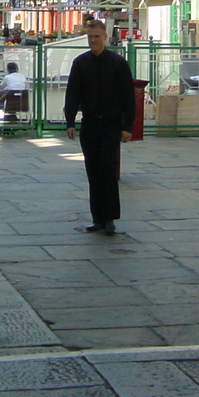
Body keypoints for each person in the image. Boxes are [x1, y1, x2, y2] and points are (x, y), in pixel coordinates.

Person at [64, 20, 135, 236]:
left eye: (96, 36)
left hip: (111, 124)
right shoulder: (80, 63)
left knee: (107, 169)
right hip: (90, 123)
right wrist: (70, 121)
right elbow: (73, 92)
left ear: (105, 37)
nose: (93, 40)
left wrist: (127, 127)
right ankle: (97, 218)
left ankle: (110, 217)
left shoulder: (117, 63)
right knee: (92, 171)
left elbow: (128, 98)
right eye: (90, 37)